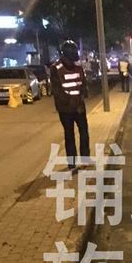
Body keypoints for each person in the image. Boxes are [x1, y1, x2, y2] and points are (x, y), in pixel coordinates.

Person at [50, 40, 90, 170]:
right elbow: (57, 91)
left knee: (84, 132)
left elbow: (83, 86)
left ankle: (85, 159)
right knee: (69, 134)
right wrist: (73, 102)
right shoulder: (56, 69)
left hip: (79, 107)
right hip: (65, 109)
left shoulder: (78, 68)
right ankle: (72, 163)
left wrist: (80, 99)